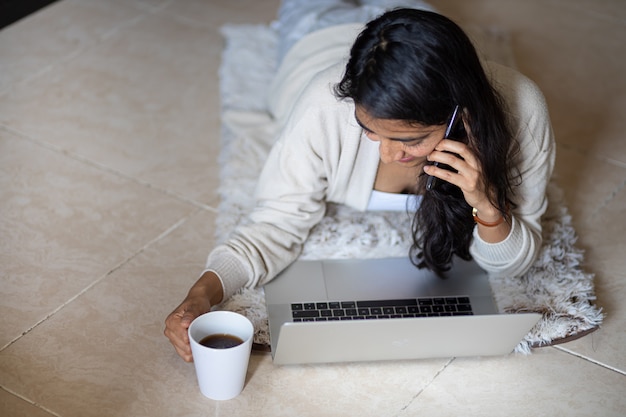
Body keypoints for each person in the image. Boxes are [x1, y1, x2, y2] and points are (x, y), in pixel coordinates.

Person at [165, 0, 555, 362]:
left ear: (459, 117)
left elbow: (514, 264)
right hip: (317, 39)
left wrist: (486, 203)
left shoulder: (523, 111)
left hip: (410, 27)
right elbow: (274, 224)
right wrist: (202, 293)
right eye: (369, 131)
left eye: (410, 140)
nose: (386, 155)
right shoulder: (325, 105)